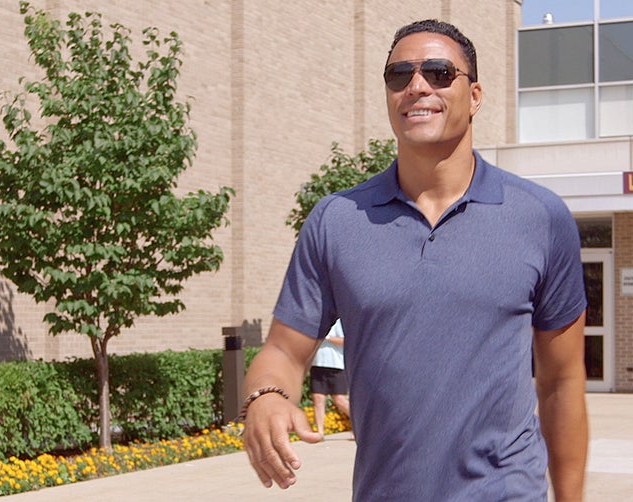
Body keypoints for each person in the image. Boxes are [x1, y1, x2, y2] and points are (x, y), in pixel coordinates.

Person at [241, 19, 589, 501]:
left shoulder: (540, 217)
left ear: (475, 95)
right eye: (399, 75)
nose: (417, 86)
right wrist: (266, 396)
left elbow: (561, 382)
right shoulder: (336, 220)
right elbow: (283, 352)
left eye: (439, 73)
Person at [309, 318, 349, 438]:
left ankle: (359, 426)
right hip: (317, 364)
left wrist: (326, 337)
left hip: (336, 365)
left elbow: (345, 341)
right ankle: (320, 432)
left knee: (340, 400)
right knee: (318, 399)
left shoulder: (339, 322)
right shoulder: (314, 322)